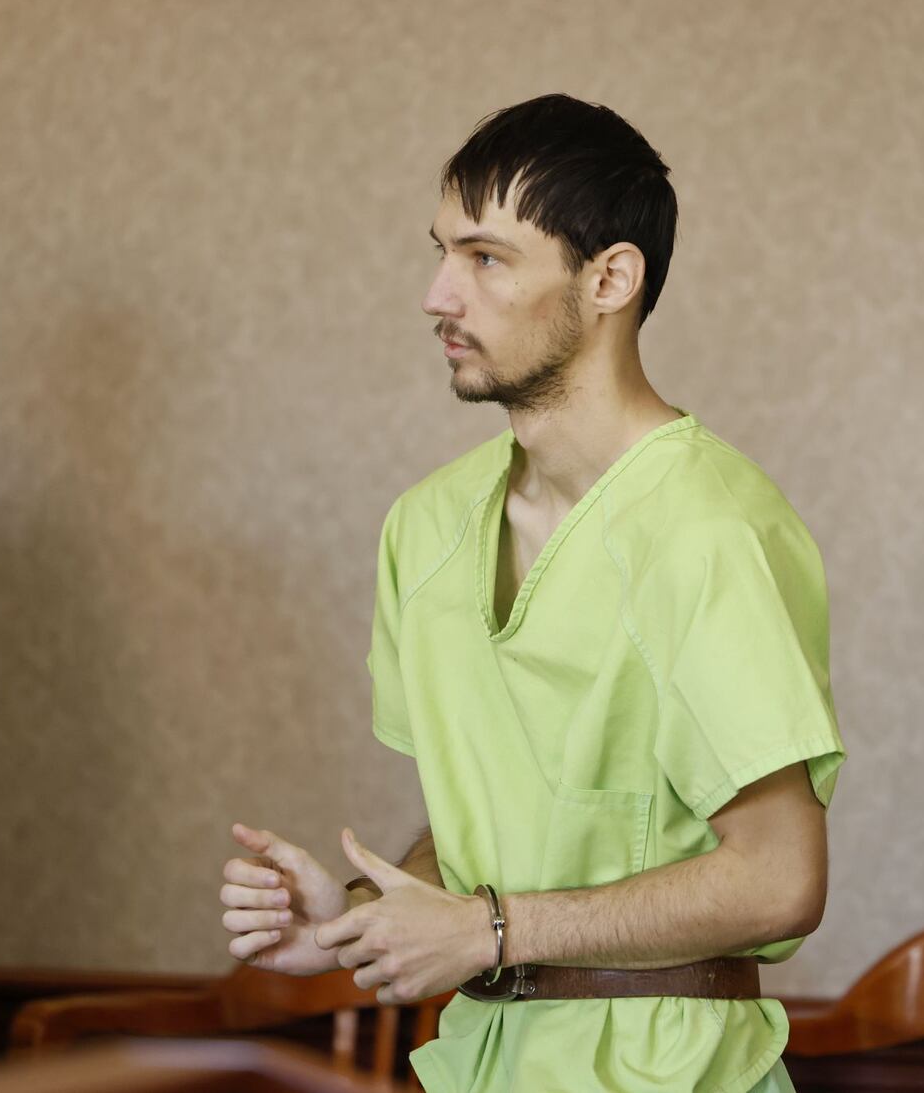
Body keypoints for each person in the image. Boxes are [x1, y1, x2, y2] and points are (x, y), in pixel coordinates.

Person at [218, 93, 845, 1093]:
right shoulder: (422, 528)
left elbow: (779, 879)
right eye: (440, 252)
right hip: (475, 1066)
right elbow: (490, 837)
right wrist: (350, 915)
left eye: (485, 258)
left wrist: (490, 928)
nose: (437, 294)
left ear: (609, 278)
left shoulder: (711, 529)